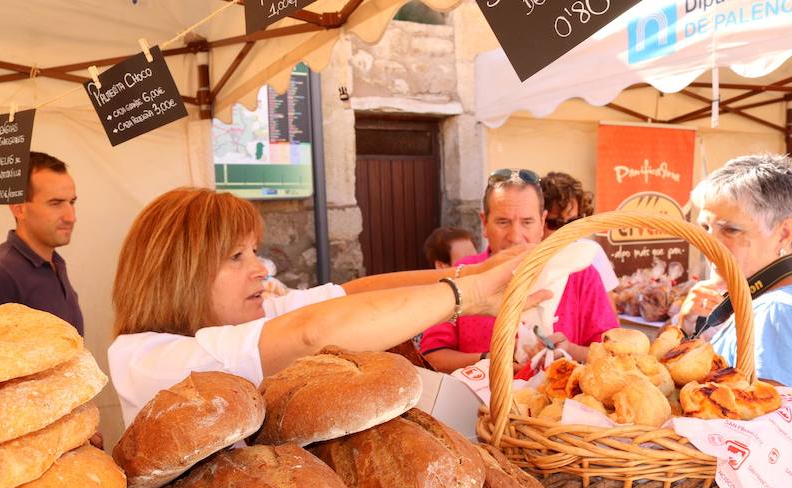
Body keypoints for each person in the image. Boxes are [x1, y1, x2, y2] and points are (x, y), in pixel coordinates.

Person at [108, 188, 549, 426]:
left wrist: (472, 276)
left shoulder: (245, 318)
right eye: (236, 256)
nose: (261, 269)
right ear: (180, 273)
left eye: (255, 252)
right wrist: (465, 298)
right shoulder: (145, 359)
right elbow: (313, 332)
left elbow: (351, 294)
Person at [420, 168, 618, 373]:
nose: (515, 236)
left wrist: (571, 350)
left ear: (542, 222)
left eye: (527, 222)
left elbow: (612, 351)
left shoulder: (581, 274)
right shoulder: (463, 274)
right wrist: (492, 359)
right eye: (503, 222)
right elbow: (432, 356)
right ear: (484, 224)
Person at [677, 154, 792, 394]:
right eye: (705, 227)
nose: (708, 243)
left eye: (730, 230)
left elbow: (771, 419)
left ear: (783, 233)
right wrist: (687, 329)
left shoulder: (776, 311)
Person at [0, 152, 83, 335]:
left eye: (71, 202)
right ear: (19, 208)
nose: (71, 217)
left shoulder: (54, 262)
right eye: (55, 203)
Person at [540, 171, 619, 294]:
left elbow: (608, 309)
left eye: (572, 221)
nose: (566, 231)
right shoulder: (525, 258)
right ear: (539, 220)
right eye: (555, 223)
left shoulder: (591, 253)